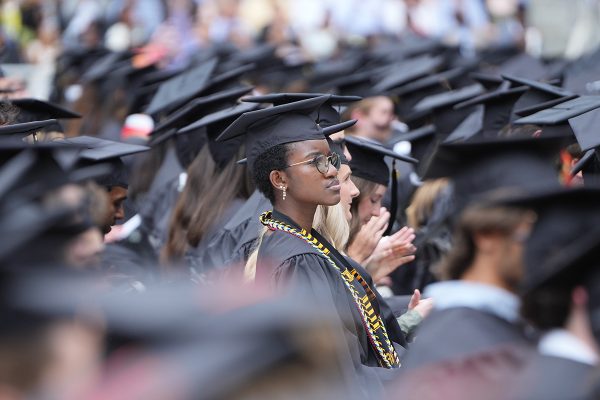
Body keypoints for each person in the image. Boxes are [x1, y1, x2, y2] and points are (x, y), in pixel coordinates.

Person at [218, 95, 406, 378]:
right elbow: (337, 376)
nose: (332, 170)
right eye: (316, 162)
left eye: (330, 158)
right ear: (280, 179)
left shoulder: (302, 241)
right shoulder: (299, 259)